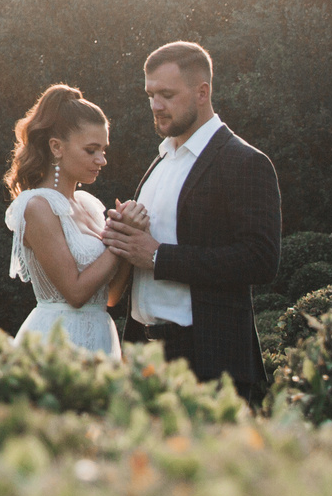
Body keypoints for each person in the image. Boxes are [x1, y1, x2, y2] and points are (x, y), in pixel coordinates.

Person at [102, 41, 281, 400]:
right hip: (142, 353)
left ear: (202, 92)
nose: (155, 105)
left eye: (167, 94)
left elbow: (261, 260)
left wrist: (157, 256)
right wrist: (123, 230)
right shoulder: (161, 160)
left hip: (207, 358)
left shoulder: (244, 162)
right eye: (150, 95)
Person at [2, 84, 130, 358]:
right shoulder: (37, 206)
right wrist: (119, 241)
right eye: (91, 150)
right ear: (57, 147)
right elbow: (75, 293)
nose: (102, 160)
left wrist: (129, 236)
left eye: (103, 150)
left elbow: (109, 297)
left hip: (100, 338)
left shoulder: (91, 205)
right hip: (57, 341)